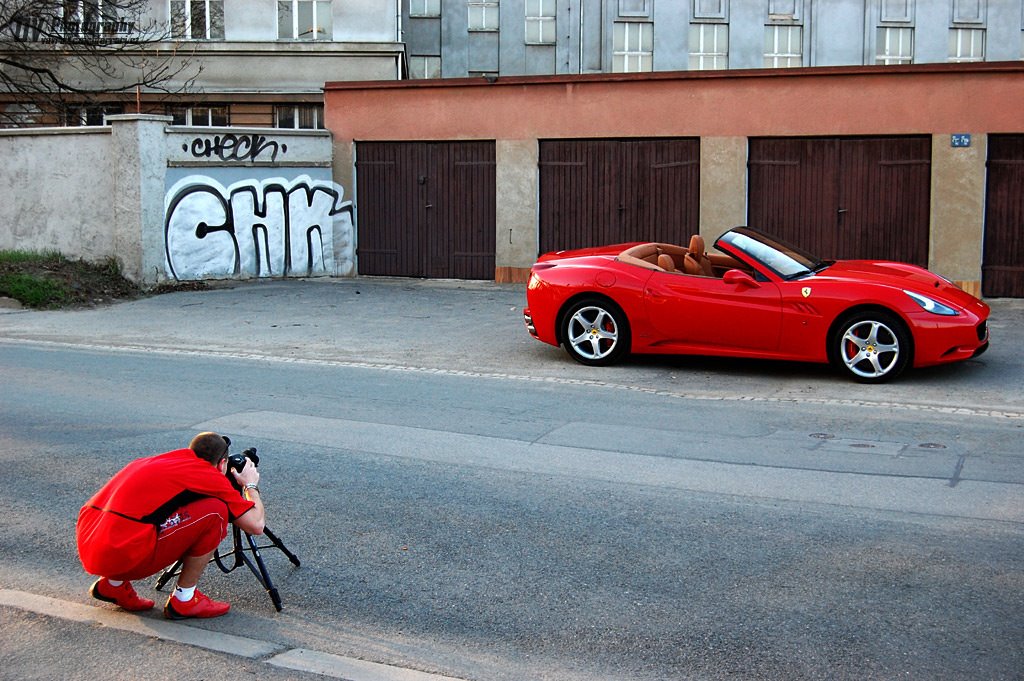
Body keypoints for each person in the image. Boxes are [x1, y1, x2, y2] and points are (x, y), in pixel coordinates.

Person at [76, 432, 265, 619]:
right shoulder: (208, 474)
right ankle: (184, 598)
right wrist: (250, 484)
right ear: (222, 463)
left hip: (90, 543)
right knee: (216, 511)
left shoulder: (156, 461)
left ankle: (112, 585)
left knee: (140, 516)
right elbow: (256, 525)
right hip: (125, 554)